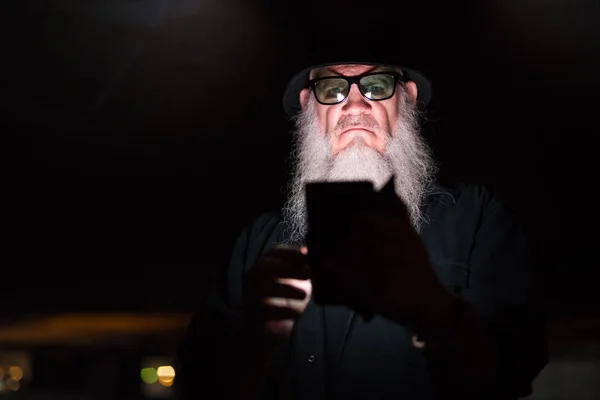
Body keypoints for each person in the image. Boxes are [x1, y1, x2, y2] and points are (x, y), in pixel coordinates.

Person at [176, 36, 548, 400]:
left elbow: (513, 370)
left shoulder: (476, 216)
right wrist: (256, 342)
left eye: (376, 85)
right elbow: (196, 383)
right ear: (310, 106)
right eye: (332, 88)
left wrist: (435, 310)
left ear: (408, 98)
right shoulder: (258, 240)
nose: (356, 105)